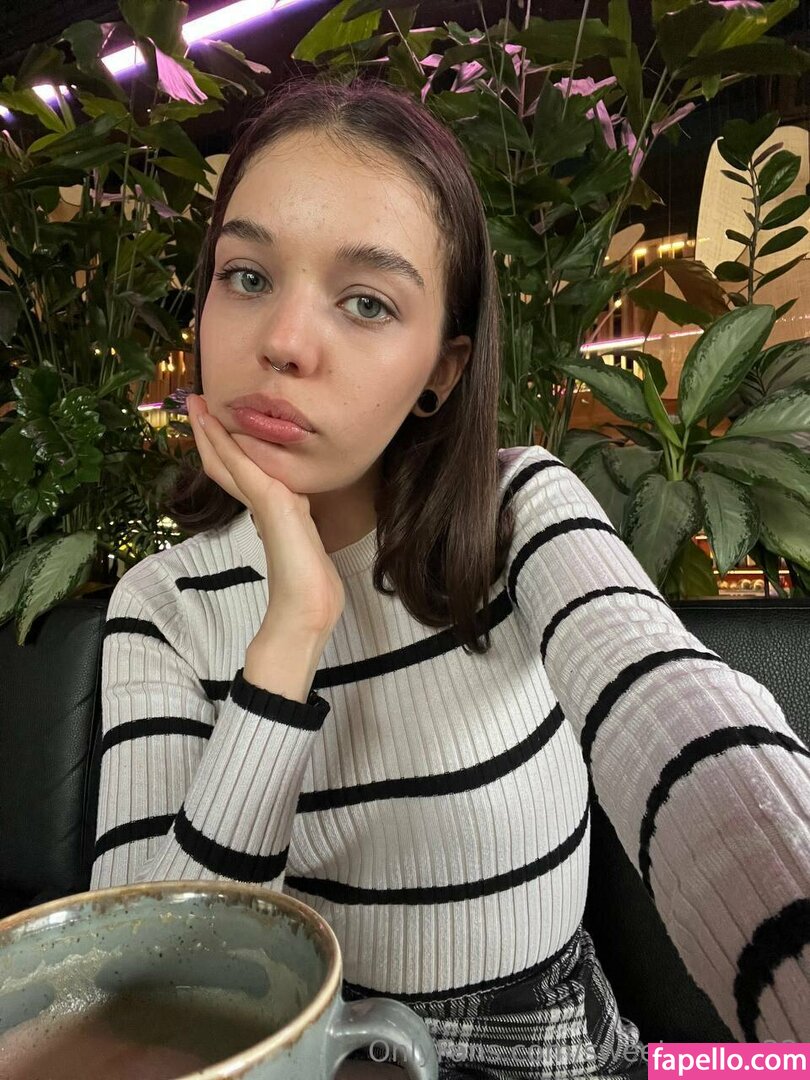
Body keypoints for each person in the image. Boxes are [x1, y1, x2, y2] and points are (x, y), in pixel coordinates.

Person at [91, 74, 810, 1078]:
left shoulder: (519, 514)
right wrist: (291, 632)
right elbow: (149, 1000)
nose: (281, 343)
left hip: (566, 1055)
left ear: (443, 366)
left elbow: (676, 712)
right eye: (246, 276)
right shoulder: (163, 606)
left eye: (367, 302)